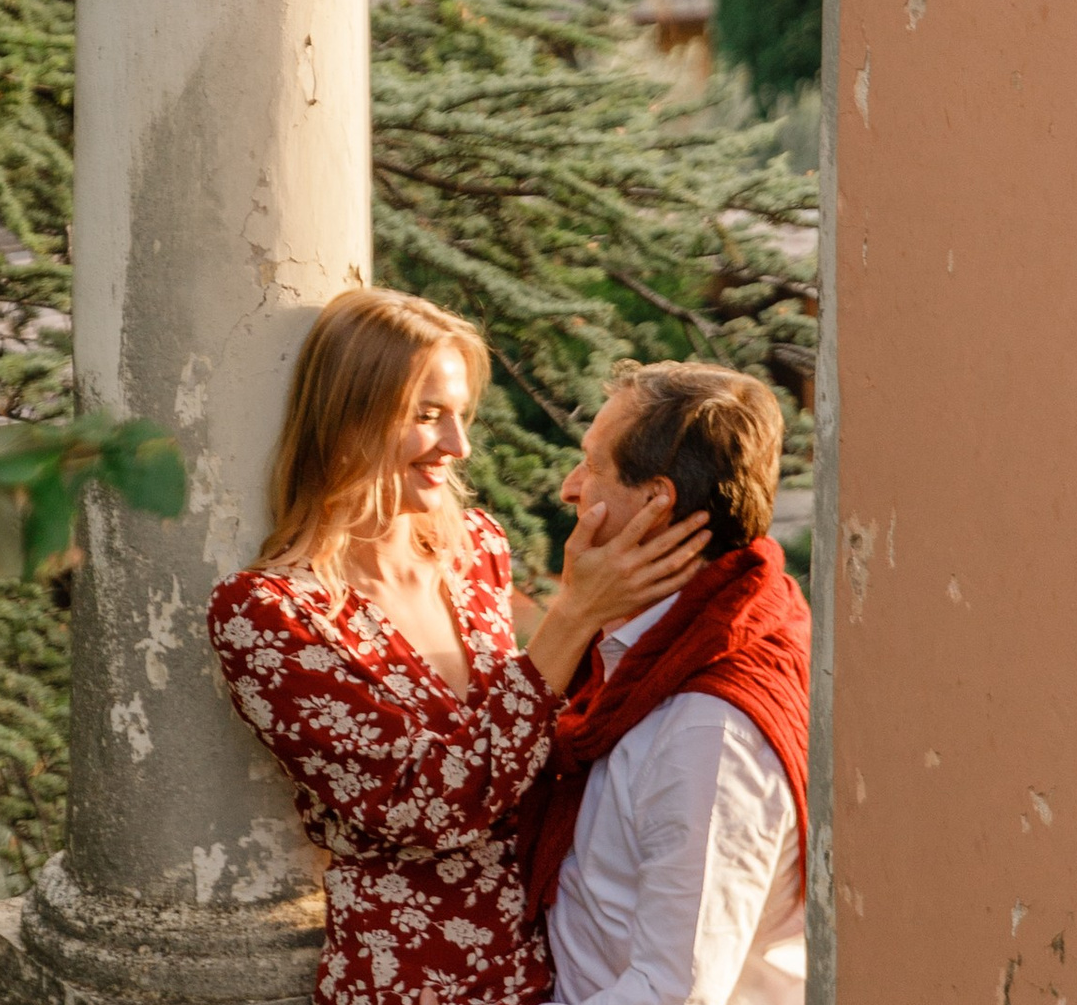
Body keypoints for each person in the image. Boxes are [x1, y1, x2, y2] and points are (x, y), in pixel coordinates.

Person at [208, 288, 713, 1005]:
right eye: (426, 416)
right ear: (348, 417)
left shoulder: (476, 549)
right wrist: (571, 618)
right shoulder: (267, 616)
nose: (458, 446)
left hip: (562, 959)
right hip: (413, 980)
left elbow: (538, 743)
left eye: (461, 416)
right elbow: (431, 807)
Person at [516, 363, 812, 1005]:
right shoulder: (641, 657)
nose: (570, 488)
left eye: (591, 466)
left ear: (656, 504)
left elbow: (673, 991)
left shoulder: (708, 732)